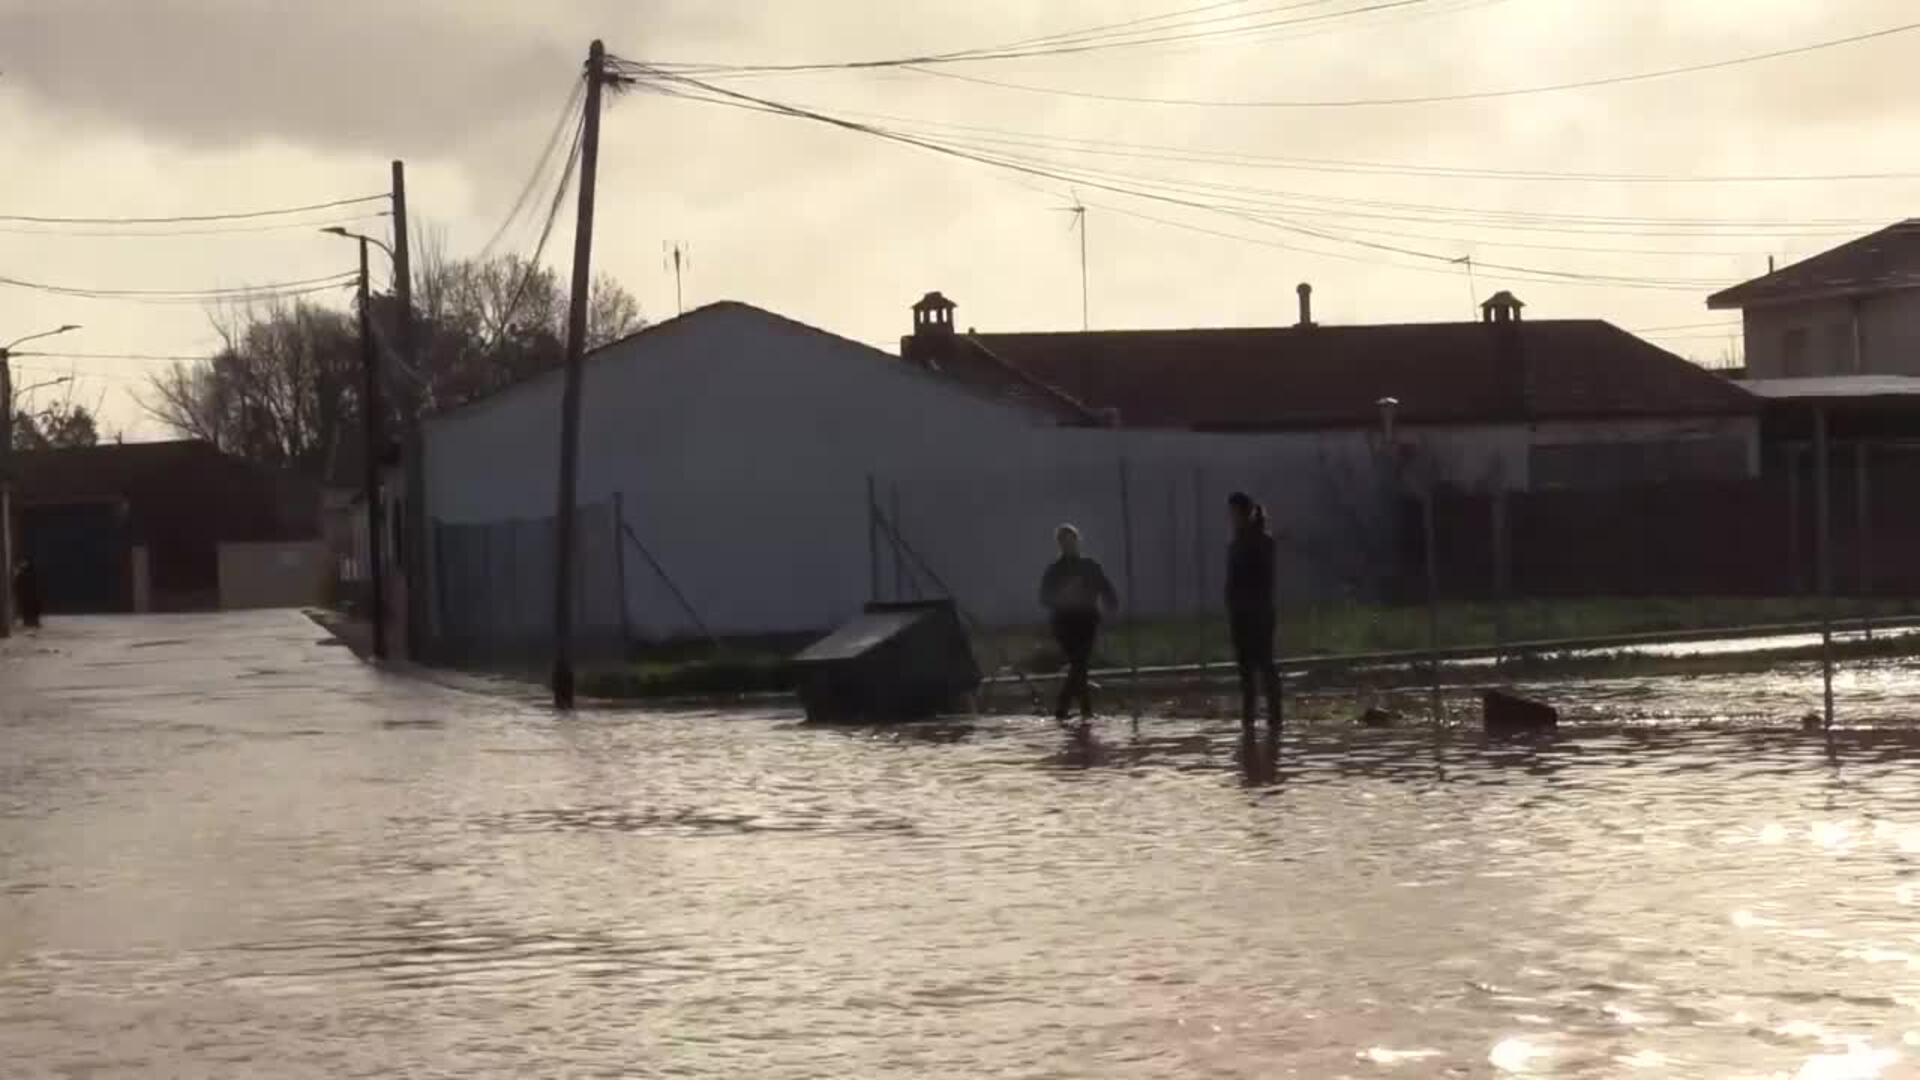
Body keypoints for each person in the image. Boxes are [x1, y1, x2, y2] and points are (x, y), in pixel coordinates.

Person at [1038, 524, 1119, 724]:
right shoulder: (1055, 570)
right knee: (1079, 663)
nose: (1068, 545)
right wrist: (1063, 596)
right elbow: (1044, 598)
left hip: (1087, 621)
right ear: (1059, 544)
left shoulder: (1089, 566)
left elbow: (1105, 588)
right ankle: (1070, 709)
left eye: (1071, 541)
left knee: (1079, 665)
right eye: (1064, 542)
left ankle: (1078, 711)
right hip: (1064, 623)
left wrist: (1111, 606)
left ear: (1077, 541)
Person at [1226, 492, 1282, 731]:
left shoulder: (1262, 541)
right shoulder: (1236, 543)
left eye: (1234, 513)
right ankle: (1249, 719)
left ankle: (1274, 717)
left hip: (1258, 611)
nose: (1231, 518)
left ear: (1244, 513)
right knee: (1246, 668)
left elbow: (1261, 578)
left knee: (1264, 663)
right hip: (1240, 612)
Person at [14, 557, 43, 630]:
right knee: (27, 609)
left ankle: (34, 622)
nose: (23, 564)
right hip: (26, 595)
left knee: (32, 608)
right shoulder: (21, 573)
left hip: (31, 595)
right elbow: (17, 584)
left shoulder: (30, 573)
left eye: (24, 562)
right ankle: (29, 622)